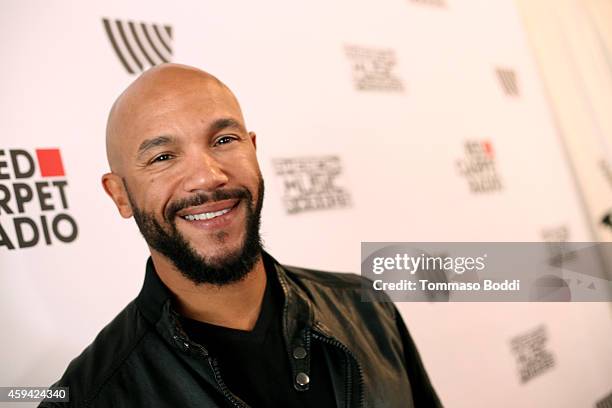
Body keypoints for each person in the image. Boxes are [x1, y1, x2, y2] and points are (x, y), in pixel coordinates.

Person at [40, 63, 442, 408]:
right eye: (163, 157)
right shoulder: (92, 395)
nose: (208, 176)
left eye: (223, 141)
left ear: (253, 149)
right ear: (120, 194)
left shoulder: (367, 310)